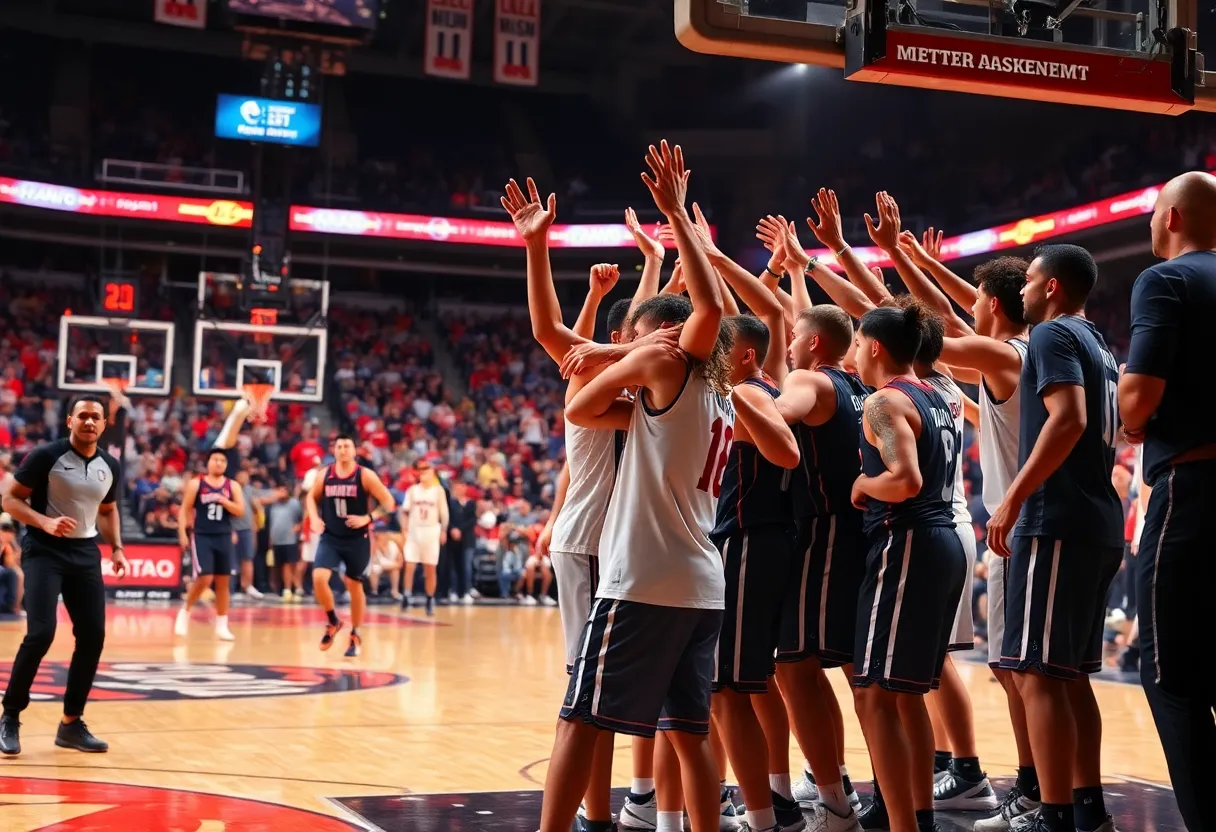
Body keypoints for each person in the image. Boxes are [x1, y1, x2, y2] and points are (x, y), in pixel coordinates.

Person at [539, 140, 731, 832]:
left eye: (649, 339)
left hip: (643, 582)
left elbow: (580, 400)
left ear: (666, 345)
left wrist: (678, 217)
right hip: (702, 584)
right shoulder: (716, 393)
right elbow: (586, 405)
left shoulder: (675, 369)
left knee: (578, 721)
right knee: (690, 733)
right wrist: (623, 357)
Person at [504, 180, 668, 832]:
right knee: (590, 698)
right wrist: (539, 245)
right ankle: (598, 816)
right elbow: (553, 332)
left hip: (622, 547)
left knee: (613, 697)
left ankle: (628, 806)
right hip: (593, 546)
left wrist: (644, 266)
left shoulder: (662, 397)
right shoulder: (605, 386)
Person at [895, 234, 1041, 830]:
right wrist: (924, 264)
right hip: (1009, 523)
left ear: (997, 307)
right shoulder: (1023, 352)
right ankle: (1036, 788)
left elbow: (931, 331)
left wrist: (900, 267)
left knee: (1022, 673)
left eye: (979, 300)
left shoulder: (1008, 355)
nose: (970, 306)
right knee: (1016, 671)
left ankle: (1035, 791)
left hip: (1010, 521)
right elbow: (957, 311)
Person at [986, 245, 1123, 832]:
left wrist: (1014, 497)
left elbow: (1068, 419)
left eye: (1031, 280)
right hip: (1097, 519)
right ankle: (1087, 810)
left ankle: (1055, 813)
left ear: (1053, 288)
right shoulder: (1102, 346)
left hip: (1057, 519)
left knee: (1036, 674)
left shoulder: (1050, 337)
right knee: (1068, 675)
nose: (1021, 291)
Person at [1118, 170, 1216, 832]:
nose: (1150, 224)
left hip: (1192, 488)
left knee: (1170, 673)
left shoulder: (1165, 281)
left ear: (1174, 217)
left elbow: (1133, 406)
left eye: (1154, 212)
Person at [850, 302, 967, 832]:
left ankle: (903, 824)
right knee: (907, 692)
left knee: (874, 694)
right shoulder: (937, 395)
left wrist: (862, 485)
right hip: (943, 542)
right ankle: (917, 816)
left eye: (856, 342)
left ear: (874, 346)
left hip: (908, 541)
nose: (852, 351)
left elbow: (905, 479)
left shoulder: (883, 400)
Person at [0, 395, 129, 756]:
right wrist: (45, 522)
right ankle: (10, 716)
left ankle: (71, 724)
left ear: (104, 424)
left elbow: (107, 509)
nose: (89, 422)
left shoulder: (110, 465)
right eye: (83, 416)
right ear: (70, 420)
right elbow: (10, 501)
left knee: (92, 637)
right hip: (44, 549)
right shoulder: (46, 456)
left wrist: (116, 547)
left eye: (96, 417)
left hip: (85, 552)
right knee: (41, 633)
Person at [305, 434, 396, 657]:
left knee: (353, 586)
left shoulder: (365, 476)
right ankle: (333, 620)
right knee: (318, 577)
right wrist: (314, 518)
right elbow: (310, 498)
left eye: (347, 446)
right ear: (334, 451)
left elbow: (389, 503)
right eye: (339, 446)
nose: (343, 450)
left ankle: (355, 633)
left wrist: (369, 517)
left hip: (357, 539)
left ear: (355, 451)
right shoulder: (324, 474)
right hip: (332, 536)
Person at [176, 449, 245, 641]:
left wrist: (225, 502)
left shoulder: (233, 486)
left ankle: (222, 624)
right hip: (202, 535)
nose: (219, 463)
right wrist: (182, 533)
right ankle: (185, 611)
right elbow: (184, 510)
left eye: (222, 460)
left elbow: (240, 511)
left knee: (223, 582)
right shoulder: (197, 483)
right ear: (208, 463)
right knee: (205, 577)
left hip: (224, 536)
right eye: (215, 459)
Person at [399, 460, 449, 616]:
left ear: (432, 472)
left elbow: (444, 513)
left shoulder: (438, 491)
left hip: (431, 530)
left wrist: (444, 530)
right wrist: (404, 529)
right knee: (409, 565)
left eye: (426, 470)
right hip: (414, 530)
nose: (423, 473)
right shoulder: (412, 490)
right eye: (420, 471)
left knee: (430, 568)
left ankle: (429, 599)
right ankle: (407, 596)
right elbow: (405, 511)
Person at [266, 485, 304, 600]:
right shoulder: (272, 504)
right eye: (279, 490)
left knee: (289, 564)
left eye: (284, 490)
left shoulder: (294, 503)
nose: (281, 493)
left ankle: (290, 589)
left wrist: (298, 526)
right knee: (277, 566)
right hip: (276, 540)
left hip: (290, 539)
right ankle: (281, 589)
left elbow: (302, 518)